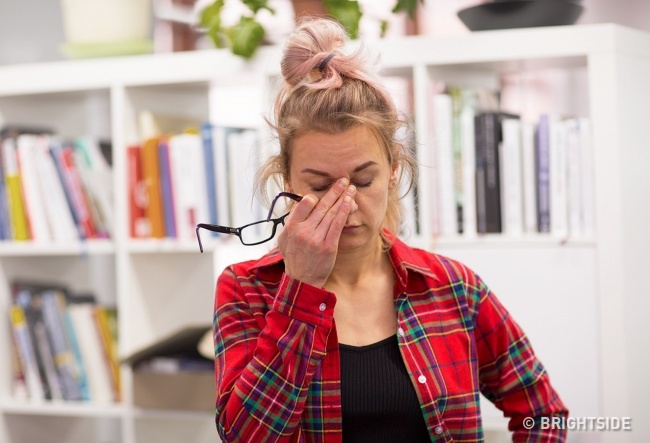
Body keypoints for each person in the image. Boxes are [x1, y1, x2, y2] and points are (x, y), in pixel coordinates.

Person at [212, 18, 568, 443]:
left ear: (394, 169)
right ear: (287, 182)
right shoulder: (247, 290)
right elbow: (245, 436)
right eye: (320, 186)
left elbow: (544, 413)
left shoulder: (454, 288)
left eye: (364, 181)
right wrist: (301, 290)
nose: (346, 204)